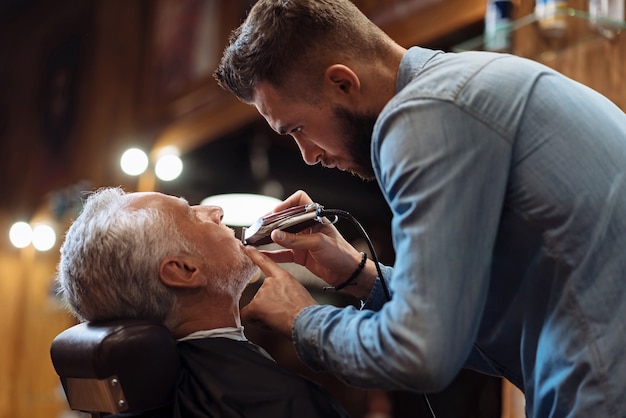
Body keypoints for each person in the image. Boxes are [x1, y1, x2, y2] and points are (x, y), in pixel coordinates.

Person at [214, 0, 626, 417]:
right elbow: (488, 332)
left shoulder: (425, 114)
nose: (307, 156)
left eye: (297, 128)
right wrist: (357, 275)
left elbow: (419, 354)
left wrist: (302, 319)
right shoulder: (469, 85)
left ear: (342, 82)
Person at [55, 187, 350, 418]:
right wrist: (309, 320)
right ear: (183, 271)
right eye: (193, 215)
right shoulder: (283, 402)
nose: (216, 210)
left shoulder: (136, 400)